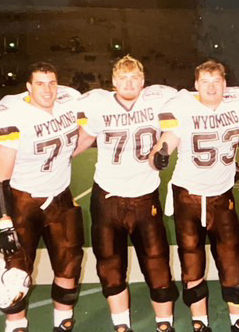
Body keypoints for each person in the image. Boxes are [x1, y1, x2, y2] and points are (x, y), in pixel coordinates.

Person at [74, 55, 179, 332]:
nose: (129, 83)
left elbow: (179, 125)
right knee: (110, 264)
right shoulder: (99, 104)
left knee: (157, 263)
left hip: (145, 196)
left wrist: (164, 148)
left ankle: (164, 323)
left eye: (134, 78)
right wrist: (60, 155)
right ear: (114, 81)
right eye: (123, 78)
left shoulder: (159, 100)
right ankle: (121, 325)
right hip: (108, 197)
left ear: (143, 81)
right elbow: (83, 138)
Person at [148, 60, 239, 332]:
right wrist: (158, 156)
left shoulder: (238, 102)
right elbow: (167, 139)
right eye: (205, 82)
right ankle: (200, 321)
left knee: (232, 260)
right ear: (195, 85)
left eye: (216, 82)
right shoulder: (183, 106)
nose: (211, 87)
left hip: (221, 194)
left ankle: (237, 320)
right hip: (189, 195)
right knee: (192, 260)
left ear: (224, 84)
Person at [0, 62, 84, 332]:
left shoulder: (68, 103)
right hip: (24, 202)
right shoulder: (14, 115)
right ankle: (16, 326)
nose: (47, 89)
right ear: (28, 87)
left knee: (69, 265)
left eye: (51, 82)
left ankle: (62, 322)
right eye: (40, 83)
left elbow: (81, 137)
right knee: (16, 271)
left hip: (60, 197)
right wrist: (4, 223)